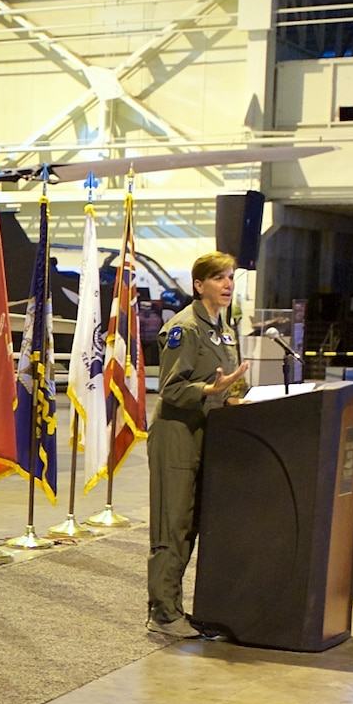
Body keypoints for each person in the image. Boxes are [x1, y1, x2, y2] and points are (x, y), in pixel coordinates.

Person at [147, 251, 250, 638]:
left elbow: (229, 382)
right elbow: (171, 388)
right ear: (198, 284)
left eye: (230, 277)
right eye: (219, 278)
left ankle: (174, 606)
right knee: (172, 524)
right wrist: (210, 389)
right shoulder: (185, 328)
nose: (228, 285)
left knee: (192, 523)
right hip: (177, 434)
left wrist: (236, 397)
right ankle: (163, 612)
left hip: (208, 433)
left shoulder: (224, 328)